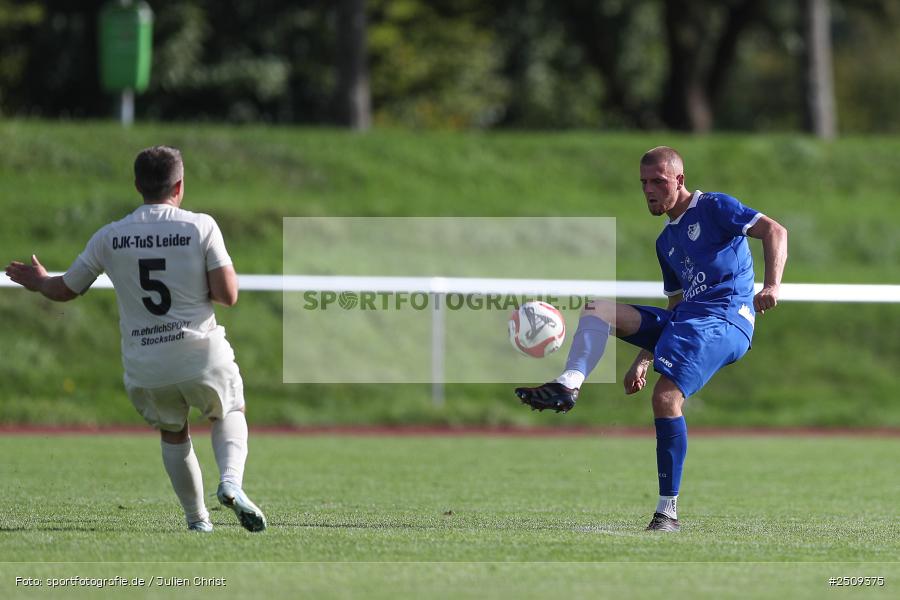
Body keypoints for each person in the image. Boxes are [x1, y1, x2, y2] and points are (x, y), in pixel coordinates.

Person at [515, 146, 788, 532]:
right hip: (691, 320)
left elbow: (775, 230)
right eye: (643, 183)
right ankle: (568, 385)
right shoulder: (666, 243)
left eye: (657, 181)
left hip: (727, 320)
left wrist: (772, 286)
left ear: (679, 179)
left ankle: (667, 512)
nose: (649, 190)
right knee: (597, 309)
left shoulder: (714, 208)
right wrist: (643, 358)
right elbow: (676, 308)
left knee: (665, 397)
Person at [5, 146, 266, 533]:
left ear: (136, 185)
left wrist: (40, 280)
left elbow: (66, 290)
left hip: (145, 361)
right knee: (227, 411)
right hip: (199, 351)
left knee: (173, 432)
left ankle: (197, 521)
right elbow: (228, 295)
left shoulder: (111, 236)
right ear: (179, 185)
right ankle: (230, 482)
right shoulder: (199, 226)